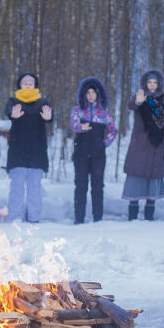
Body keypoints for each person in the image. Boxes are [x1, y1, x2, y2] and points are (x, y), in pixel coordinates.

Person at [122, 69, 164, 220]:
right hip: (140, 145)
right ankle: (132, 216)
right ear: (145, 83)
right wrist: (138, 101)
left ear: (159, 84)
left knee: (153, 179)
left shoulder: (163, 100)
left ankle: (149, 217)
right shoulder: (141, 96)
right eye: (149, 82)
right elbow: (132, 105)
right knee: (136, 178)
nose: (152, 85)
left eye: (155, 82)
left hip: (157, 146)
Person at [5, 72, 53, 222]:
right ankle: (15, 217)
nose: (27, 85)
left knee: (35, 188)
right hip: (17, 151)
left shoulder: (42, 102)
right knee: (16, 187)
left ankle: (34, 218)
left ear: (35, 86)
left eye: (30, 83)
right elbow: (9, 112)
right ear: (20, 85)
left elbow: (50, 116)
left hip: (37, 151)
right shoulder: (13, 101)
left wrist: (48, 117)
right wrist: (13, 114)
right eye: (24, 83)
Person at [69, 77, 117, 224]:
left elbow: (113, 131)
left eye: (93, 92)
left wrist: (103, 144)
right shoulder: (77, 110)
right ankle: (79, 219)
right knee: (80, 186)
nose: (90, 95)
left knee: (97, 186)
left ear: (98, 94)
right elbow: (73, 124)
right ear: (84, 94)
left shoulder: (104, 112)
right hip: (81, 153)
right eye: (88, 92)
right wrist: (81, 127)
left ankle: (98, 218)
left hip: (98, 155)